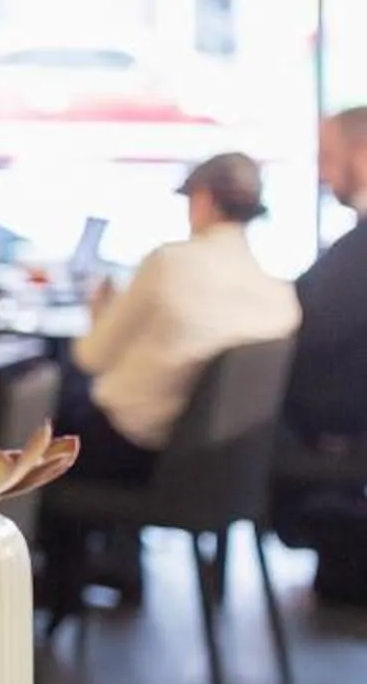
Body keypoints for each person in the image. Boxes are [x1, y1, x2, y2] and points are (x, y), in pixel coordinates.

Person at [60, 152, 301, 485]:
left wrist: (100, 315)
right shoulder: (280, 296)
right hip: (216, 466)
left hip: (131, 450)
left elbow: (90, 357)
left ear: (203, 198)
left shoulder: (168, 264)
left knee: (41, 393)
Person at [286, 107, 367, 452]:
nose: (322, 173)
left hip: (337, 439)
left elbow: (314, 323)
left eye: (328, 157)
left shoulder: (359, 249)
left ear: (362, 153)